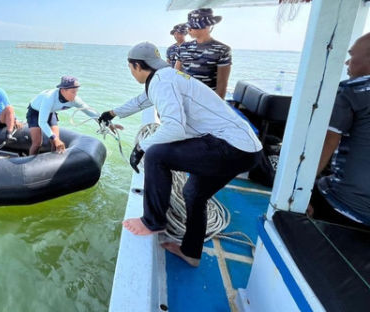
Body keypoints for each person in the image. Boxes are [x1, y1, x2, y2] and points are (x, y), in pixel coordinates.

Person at [98, 42, 262, 267]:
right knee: (194, 193)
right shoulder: (165, 77)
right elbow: (142, 101)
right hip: (247, 150)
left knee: (156, 154)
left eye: (130, 68)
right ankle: (191, 252)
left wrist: (140, 147)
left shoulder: (162, 82)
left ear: (136, 65)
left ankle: (152, 221)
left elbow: (174, 127)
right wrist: (112, 113)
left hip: (229, 146)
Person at [309, 33, 370, 228]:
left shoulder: (352, 90)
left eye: (352, 56)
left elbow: (328, 142)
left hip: (348, 206)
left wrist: (301, 192)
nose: (346, 62)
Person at [27, 76, 99, 155]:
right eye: (73, 92)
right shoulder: (49, 98)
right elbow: (42, 123)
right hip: (35, 112)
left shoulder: (75, 100)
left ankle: (53, 163)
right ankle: (30, 162)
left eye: (76, 92)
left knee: (55, 143)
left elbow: (89, 111)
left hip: (51, 112)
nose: (75, 95)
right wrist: (55, 139)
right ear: (63, 90)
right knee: (37, 143)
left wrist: (104, 121)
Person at [174, 8, 231, 99]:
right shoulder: (183, 47)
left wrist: (216, 108)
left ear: (207, 27)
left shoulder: (222, 50)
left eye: (193, 26)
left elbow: (222, 84)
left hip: (207, 101)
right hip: (184, 99)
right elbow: (176, 74)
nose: (189, 29)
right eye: (189, 26)